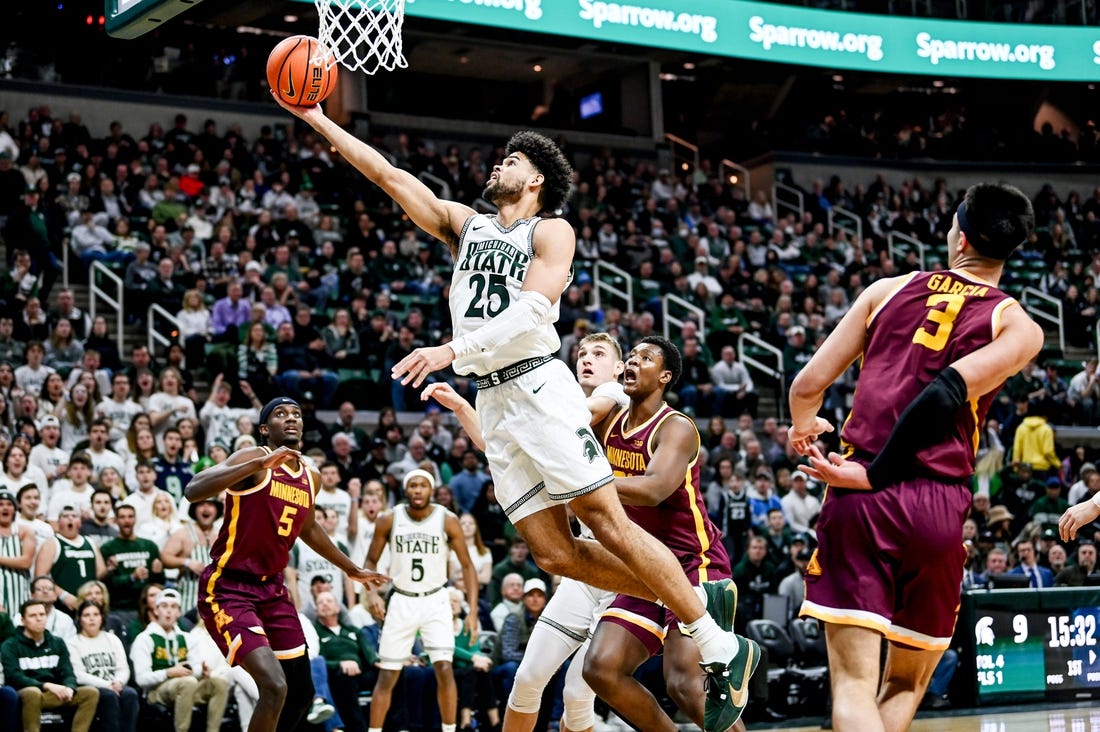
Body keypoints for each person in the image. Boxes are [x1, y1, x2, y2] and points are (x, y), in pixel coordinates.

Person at [279, 96, 749, 728]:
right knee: (554, 555)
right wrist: (316, 118)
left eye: (512, 160)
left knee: (603, 519)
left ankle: (712, 638)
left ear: (534, 180)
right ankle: (698, 607)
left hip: (536, 384)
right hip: (493, 400)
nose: (498, 165)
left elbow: (532, 312)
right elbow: (388, 175)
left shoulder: (550, 230)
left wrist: (450, 349)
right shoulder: (463, 224)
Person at [787, 183, 1042, 732]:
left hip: (862, 493)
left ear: (960, 233)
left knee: (853, 685)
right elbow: (951, 390)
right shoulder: (1019, 325)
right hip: (938, 505)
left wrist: (808, 429)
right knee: (904, 684)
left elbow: (808, 385)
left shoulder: (887, 289)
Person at [184, 396, 388, 732]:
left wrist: (351, 568)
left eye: (296, 413)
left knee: (302, 693)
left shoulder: (312, 476)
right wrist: (257, 466)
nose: (290, 418)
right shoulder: (253, 456)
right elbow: (194, 490)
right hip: (229, 587)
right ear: (265, 429)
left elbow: (308, 528)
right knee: (274, 686)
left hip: (272, 590)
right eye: (280, 414)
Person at [582, 337, 736, 732]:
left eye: (645, 359)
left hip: (694, 564)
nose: (633, 362)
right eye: (630, 357)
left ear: (664, 376)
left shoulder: (676, 427)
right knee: (602, 669)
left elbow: (654, 489)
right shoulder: (610, 422)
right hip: (642, 565)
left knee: (685, 684)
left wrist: (586, 483)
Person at [361, 468, 479, 732]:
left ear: (432, 490)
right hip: (401, 600)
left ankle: (449, 730)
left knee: (444, 668)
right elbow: (369, 561)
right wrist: (371, 593)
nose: (417, 490)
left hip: (436, 599)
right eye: (412, 485)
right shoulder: (388, 519)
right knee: (388, 674)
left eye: (422, 485)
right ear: (406, 490)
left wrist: (472, 612)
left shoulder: (447, 519)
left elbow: (468, 566)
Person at [130, 588, 230, 732]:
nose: (169, 611)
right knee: (187, 682)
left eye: (173, 607)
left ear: (179, 612)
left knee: (219, 683)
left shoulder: (187, 638)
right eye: (164, 606)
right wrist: (169, 672)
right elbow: (141, 679)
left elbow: (195, 667)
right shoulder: (144, 639)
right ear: (156, 611)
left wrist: (201, 672)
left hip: (186, 687)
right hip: (156, 691)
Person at [1, 598, 99, 732]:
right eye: (33, 616)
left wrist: (70, 687)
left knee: (90, 693)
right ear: (23, 621)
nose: (39, 619)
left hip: (54, 694)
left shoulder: (57, 642)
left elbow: (67, 672)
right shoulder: (10, 645)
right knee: (33, 693)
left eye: (42, 615)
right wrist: (46, 685)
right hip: (26, 693)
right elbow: (14, 676)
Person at [67, 599, 139, 732]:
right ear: (80, 619)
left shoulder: (112, 639)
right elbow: (78, 675)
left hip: (115, 685)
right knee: (109, 696)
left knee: (130, 694)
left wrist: (119, 682)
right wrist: (107, 685)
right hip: (92, 688)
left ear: (102, 618)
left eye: (95, 615)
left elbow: (123, 668)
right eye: (87, 615)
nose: (92, 619)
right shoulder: (73, 643)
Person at [0, 489, 34, 615]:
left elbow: (26, 562)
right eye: (1, 504)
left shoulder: (25, 531)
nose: (5, 508)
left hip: (18, 591)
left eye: (9, 504)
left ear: (15, 509)